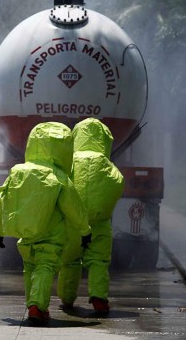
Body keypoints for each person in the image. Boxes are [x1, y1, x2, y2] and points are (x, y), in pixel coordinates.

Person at [0, 122, 90, 326]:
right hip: (51, 234)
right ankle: (37, 306)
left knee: (29, 267)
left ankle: (33, 305)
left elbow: (2, 199)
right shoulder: (60, 177)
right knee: (45, 266)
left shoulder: (18, 171)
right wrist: (84, 229)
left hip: (26, 233)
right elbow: (74, 207)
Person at [57, 118, 124, 313]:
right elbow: (118, 183)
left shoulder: (68, 163)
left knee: (69, 261)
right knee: (98, 261)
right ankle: (99, 298)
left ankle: (67, 298)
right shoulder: (106, 164)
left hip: (72, 224)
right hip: (100, 224)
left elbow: (59, 185)